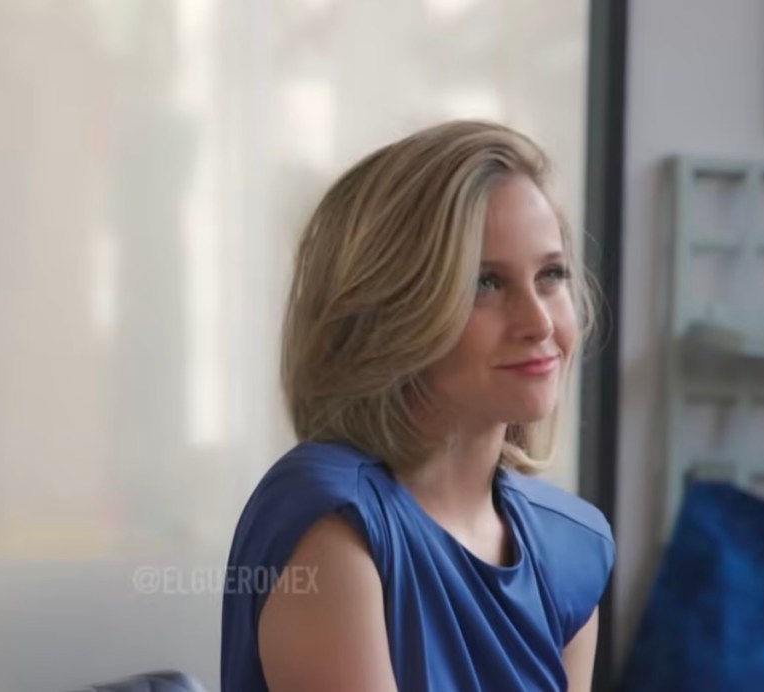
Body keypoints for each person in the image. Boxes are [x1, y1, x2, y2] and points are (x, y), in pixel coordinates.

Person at [220, 121, 614, 692]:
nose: (538, 322)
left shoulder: (572, 546)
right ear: (389, 311)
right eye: (484, 283)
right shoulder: (333, 517)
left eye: (550, 275)